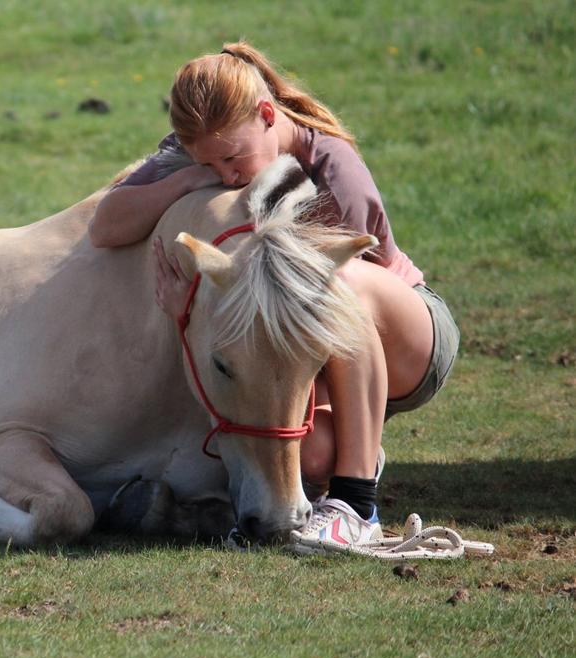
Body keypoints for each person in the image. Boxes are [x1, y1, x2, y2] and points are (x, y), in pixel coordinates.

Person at [88, 41, 459, 552]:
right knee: (303, 459)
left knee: (329, 283)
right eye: (209, 164)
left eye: (231, 158)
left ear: (267, 115)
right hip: (308, 357)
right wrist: (187, 179)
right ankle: (339, 467)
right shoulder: (206, 151)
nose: (227, 176)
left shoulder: (332, 164)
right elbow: (105, 226)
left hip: (404, 335)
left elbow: (321, 308)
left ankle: (358, 505)